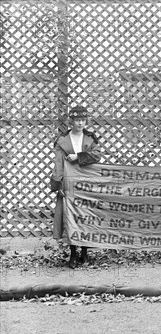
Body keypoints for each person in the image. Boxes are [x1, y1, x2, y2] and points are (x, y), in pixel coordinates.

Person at [50, 106, 103, 268]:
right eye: (77, 120)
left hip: (86, 183)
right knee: (71, 218)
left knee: (85, 217)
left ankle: (85, 253)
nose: (80, 123)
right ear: (71, 122)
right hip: (69, 184)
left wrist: (79, 157)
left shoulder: (90, 138)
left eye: (83, 120)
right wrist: (57, 183)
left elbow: (97, 155)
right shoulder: (63, 139)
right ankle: (73, 254)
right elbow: (58, 163)